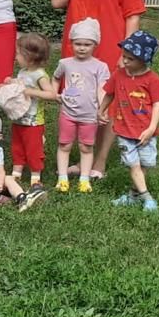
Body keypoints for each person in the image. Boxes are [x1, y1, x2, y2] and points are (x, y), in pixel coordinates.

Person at [51, 0, 147, 179]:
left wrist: (127, 52)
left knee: (105, 103)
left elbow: (133, 15)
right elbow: (57, 1)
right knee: (76, 98)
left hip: (109, 45)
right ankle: (78, 156)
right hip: (77, 47)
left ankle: (99, 162)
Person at [105, 31, 159, 212]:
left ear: (143, 59)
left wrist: (151, 128)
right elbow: (110, 93)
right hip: (124, 129)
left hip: (145, 131)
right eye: (124, 56)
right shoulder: (119, 75)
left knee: (144, 164)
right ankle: (147, 198)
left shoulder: (153, 80)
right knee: (134, 165)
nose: (124, 61)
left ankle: (133, 196)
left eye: (130, 59)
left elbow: (157, 104)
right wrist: (101, 110)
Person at [53, 18, 111, 193]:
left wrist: (102, 110)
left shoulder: (100, 66)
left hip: (89, 115)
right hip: (68, 113)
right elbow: (56, 77)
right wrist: (54, 92)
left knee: (86, 146)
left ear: (95, 45)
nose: (82, 48)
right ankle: (62, 178)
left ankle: (84, 179)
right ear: (71, 43)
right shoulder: (65, 63)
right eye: (78, 43)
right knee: (65, 145)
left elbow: (102, 90)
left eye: (87, 44)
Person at [7, 33, 58, 192]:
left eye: (18, 53)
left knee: (33, 148)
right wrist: (12, 83)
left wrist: (32, 92)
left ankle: (35, 175)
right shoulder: (23, 71)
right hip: (19, 117)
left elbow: (51, 94)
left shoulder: (40, 75)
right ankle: (17, 171)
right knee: (17, 145)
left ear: (29, 56)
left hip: (34, 121)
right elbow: (21, 87)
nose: (15, 56)